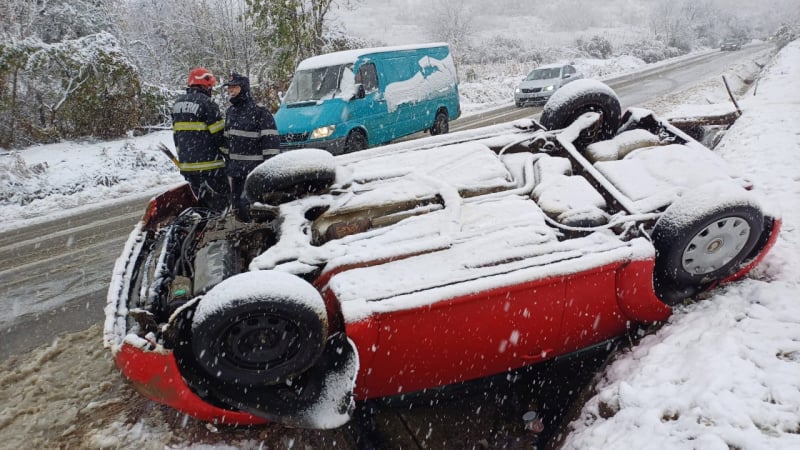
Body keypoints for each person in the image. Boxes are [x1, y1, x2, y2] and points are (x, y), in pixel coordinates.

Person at [222, 72, 281, 221]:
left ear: (244, 88)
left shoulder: (260, 112)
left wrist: (268, 171)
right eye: (230, 88)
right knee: (237, 207)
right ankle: (245, 236)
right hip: (236, 173)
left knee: (249, 206)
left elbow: (271, 145)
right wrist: (228, 164)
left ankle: (260, 236)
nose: (231, 91)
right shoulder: (231, 112)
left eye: (234, 87)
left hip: (254, 171)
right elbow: (227, 142)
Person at [171, 67, 229, 211]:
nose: (211, 90)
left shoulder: (177, 105)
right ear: (205, 84)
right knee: (222, 206)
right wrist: (230, 155)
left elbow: (177, 137)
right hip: (210, 167)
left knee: (201, 205)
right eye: (210, 87)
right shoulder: (207, 104)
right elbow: (220, 136)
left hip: (187, 167)